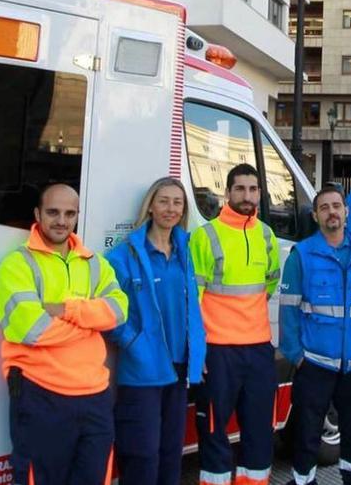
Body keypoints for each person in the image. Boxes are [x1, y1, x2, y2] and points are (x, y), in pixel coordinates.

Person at [0, 183, 128, 485]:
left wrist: (65, 310)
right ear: (38, 214)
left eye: (69, 213)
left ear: (77, 216)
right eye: (53, 212)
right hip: (40, 392)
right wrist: (91, 323)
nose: (61, 220)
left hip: (94, 395)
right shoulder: (18, 264)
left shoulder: (94, 264)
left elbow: (119, 312)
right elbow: (32, 329)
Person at [279, 186, 351, 485]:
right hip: (315, 364)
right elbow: (288, 311)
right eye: (324, 208)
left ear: (346, 211)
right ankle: (303, 482)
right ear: (315, 215)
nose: (332, 212)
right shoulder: (301, 255)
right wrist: (296, 356)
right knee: (306, 436)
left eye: (336, 206)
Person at [105, 178, 206, 485]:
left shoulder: (189, 251)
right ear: (150, 205)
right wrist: (132, 342)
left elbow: (199, 305)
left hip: (179, 368)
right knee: (142, 454)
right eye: (163, 201)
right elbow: (109, 310)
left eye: (177, 202)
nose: (170, 209)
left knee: (170, 453)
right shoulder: (124, 256)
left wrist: (199, 351)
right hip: (141, 370)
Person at [190, 163, 281, 485]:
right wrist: (197, 350)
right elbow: (193, 299)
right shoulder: (206, 236)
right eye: (239, 189)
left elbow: (269, 284)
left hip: (258, 349)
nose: (247, 195)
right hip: (217, 351)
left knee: (259, 432)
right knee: (214, 432)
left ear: (260, 193)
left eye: (253, 189)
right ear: (227, 193)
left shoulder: (266, 235)